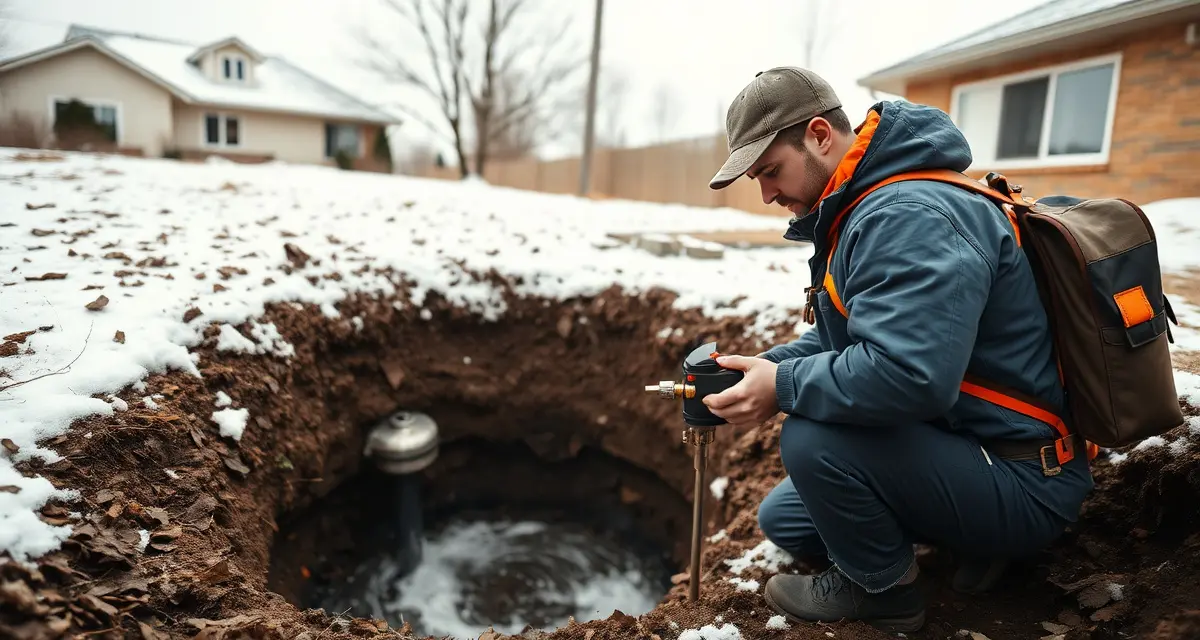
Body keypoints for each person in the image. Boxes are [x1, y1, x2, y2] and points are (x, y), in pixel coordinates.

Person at [700, 67, 1094, 633]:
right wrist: (766, 367)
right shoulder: (869, 205)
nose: (766, 194)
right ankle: (972, 541)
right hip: (969, 443)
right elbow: (848, 340)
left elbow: (909, 375)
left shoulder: (909, 216)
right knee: (787, 518)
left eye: (770, 171)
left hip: (1025, 474)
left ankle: (883, 595)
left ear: (818, 135)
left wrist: (782, 388)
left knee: (812, 439)